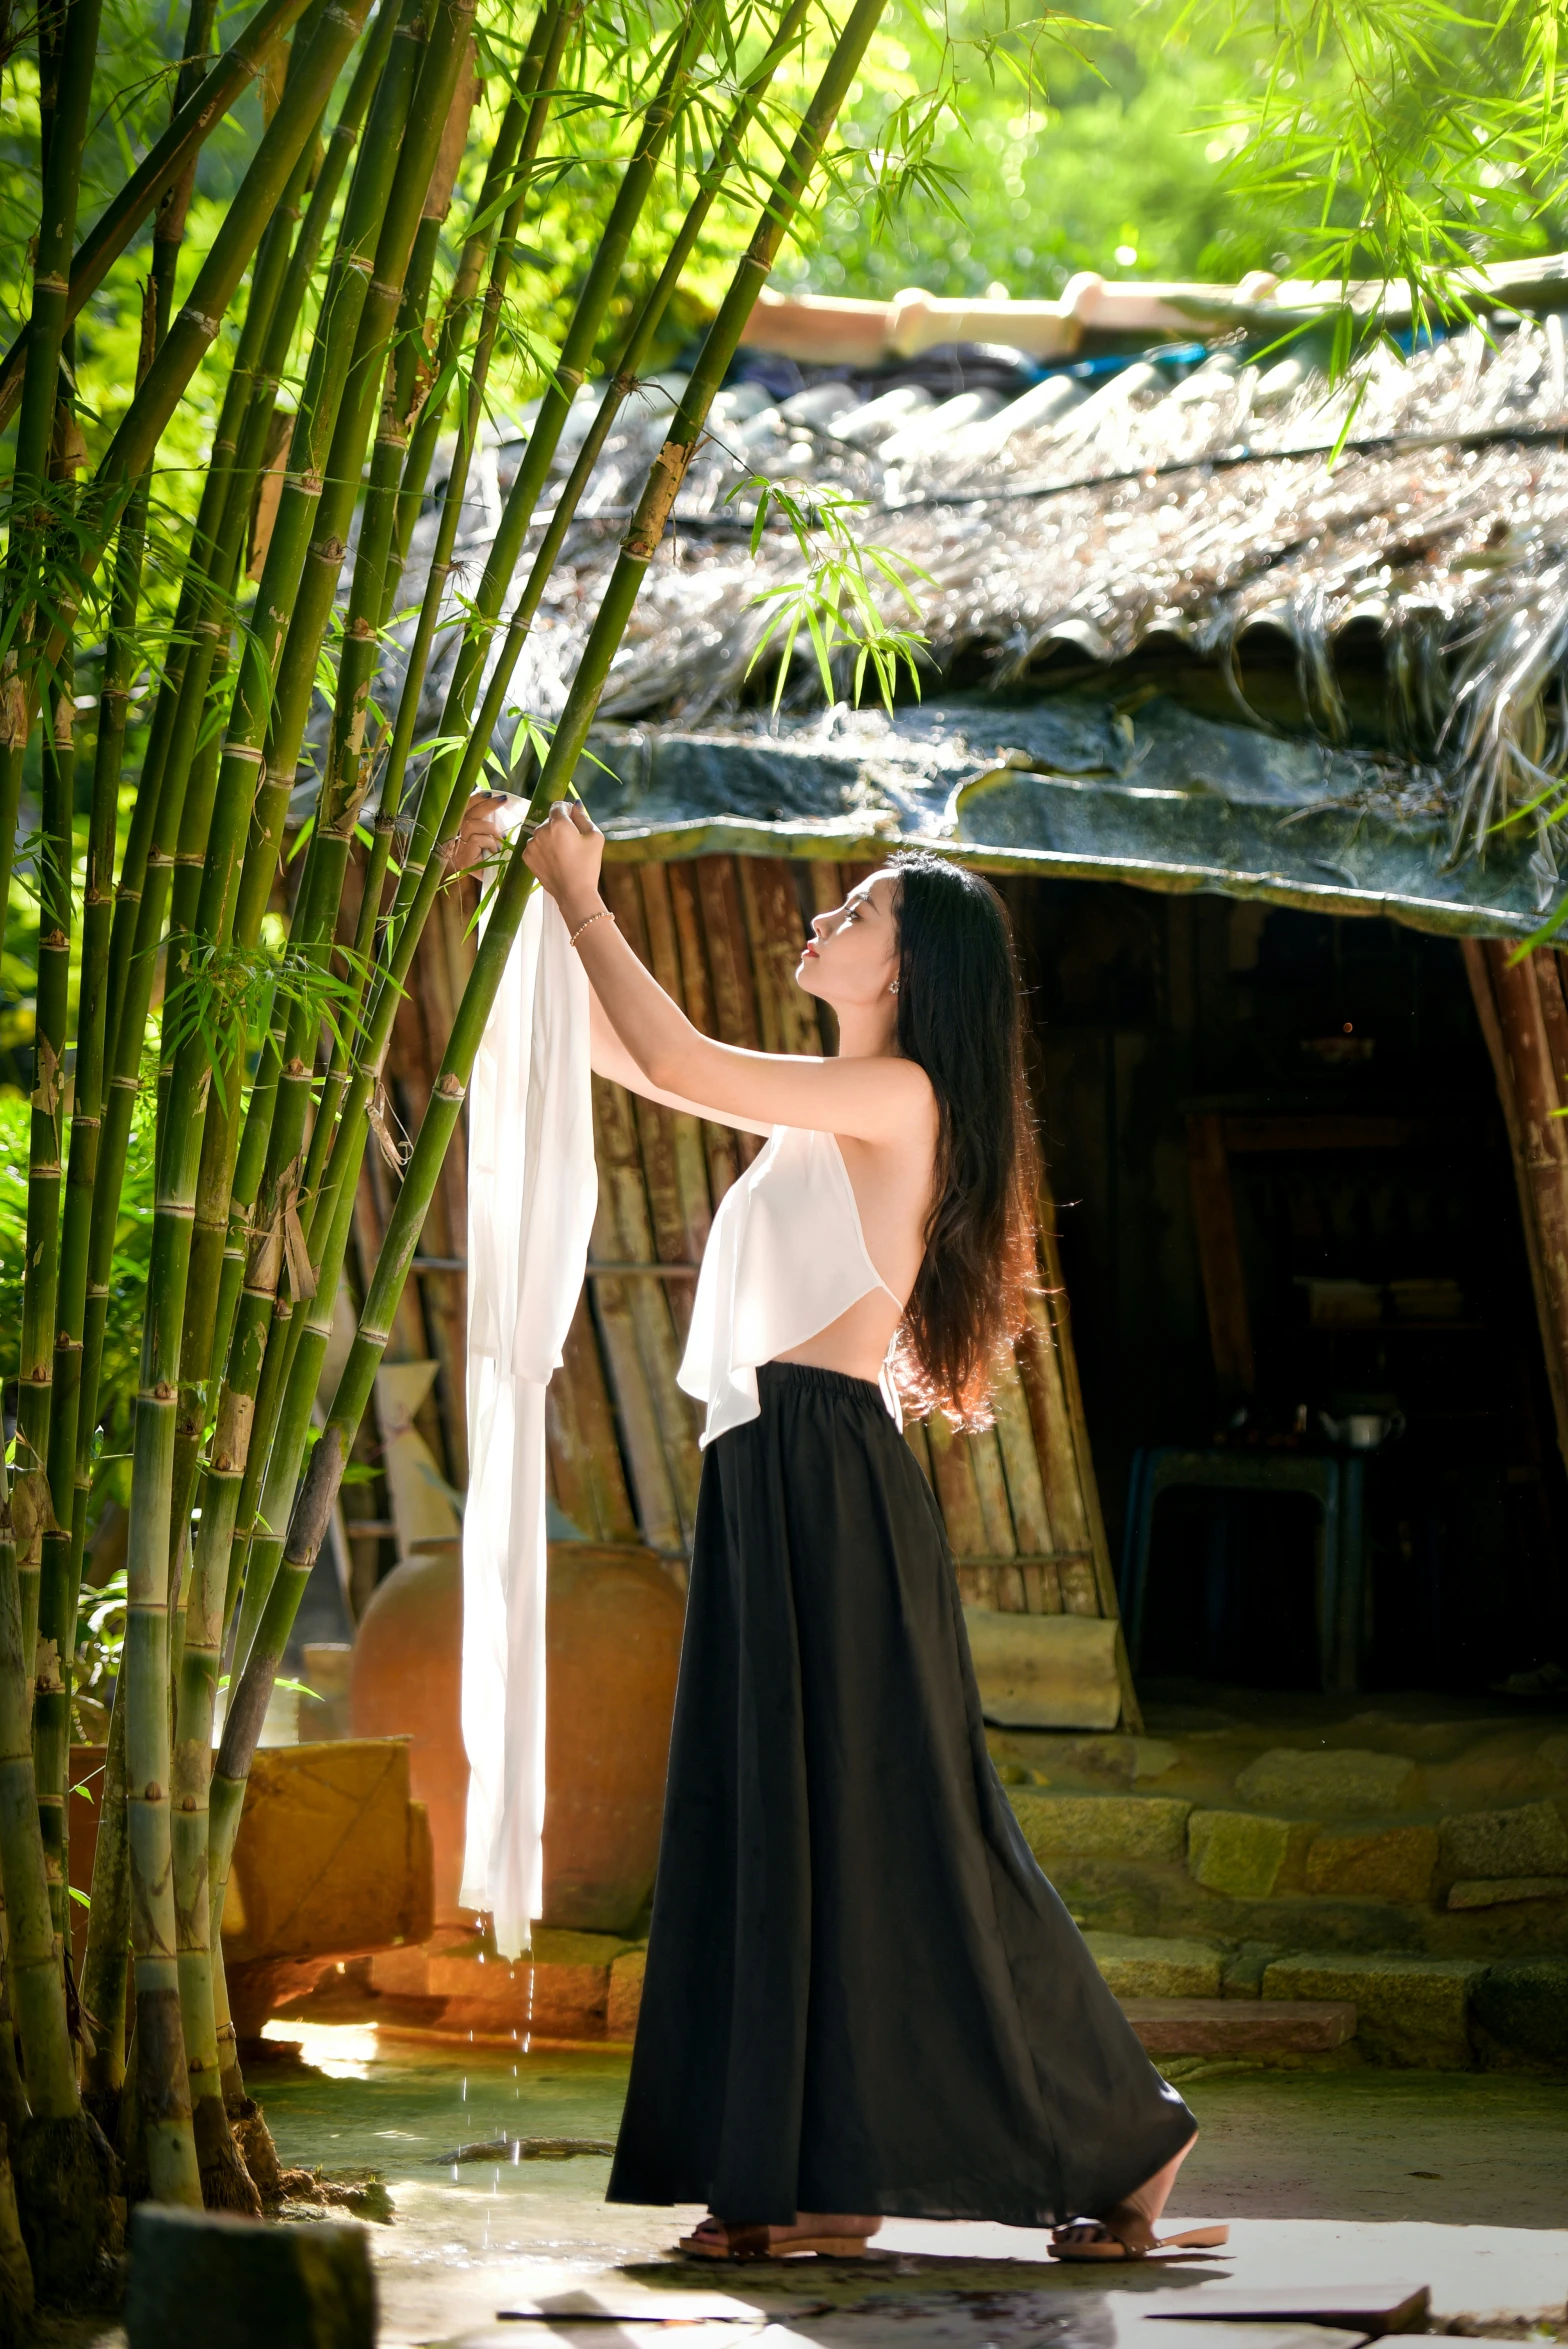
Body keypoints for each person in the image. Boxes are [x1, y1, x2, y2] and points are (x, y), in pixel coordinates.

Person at [455, 793, 1223, 2266]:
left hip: (828, 1485)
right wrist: (530, 894)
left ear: (914, 969)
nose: (825, 921)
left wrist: (584, 890)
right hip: (769, 1473)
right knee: (781, 1828)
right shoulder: (833, 1100)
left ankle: (1131, 2133)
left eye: (858, 912)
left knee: (904, 1831)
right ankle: (813, 2180)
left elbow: (672, 1051)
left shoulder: (909, 1099)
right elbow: (631, 1059)